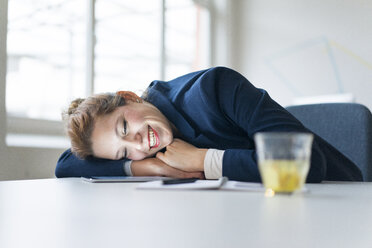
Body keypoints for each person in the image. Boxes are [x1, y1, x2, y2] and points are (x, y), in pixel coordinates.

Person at [55, 67, 363, 182]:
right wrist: (146, 167)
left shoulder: (214, 88)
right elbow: (65, 166)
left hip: (340, 201)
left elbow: (303, 164)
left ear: (129, 97)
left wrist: (204, 159)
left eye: (123, 128)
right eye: (124, 153)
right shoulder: (145, 153)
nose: (138, 144)